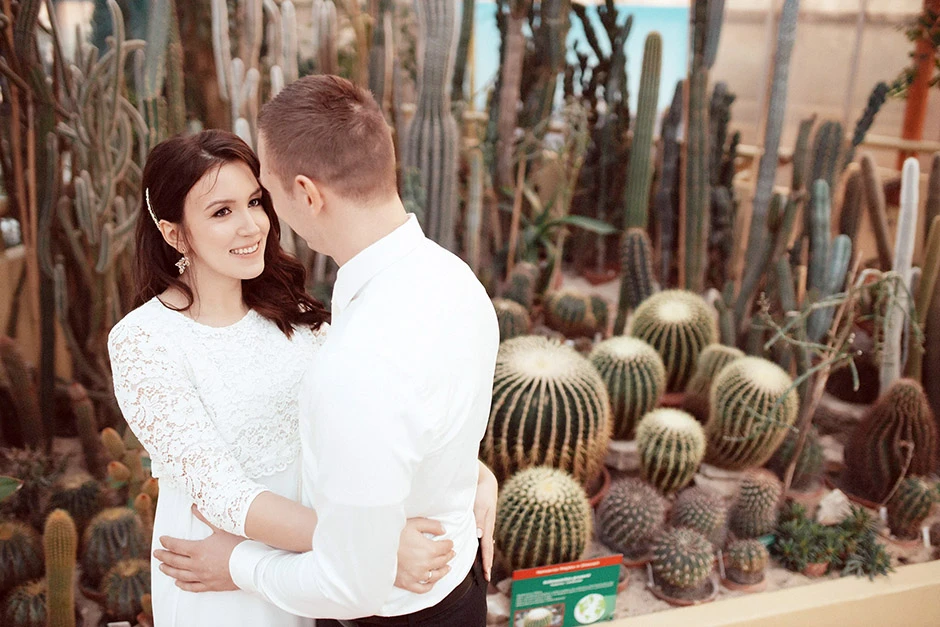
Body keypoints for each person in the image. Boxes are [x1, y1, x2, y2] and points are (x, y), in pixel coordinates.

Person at [108, 129, 496, 627]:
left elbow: (377, 415)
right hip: (224, 564)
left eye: (255, 201)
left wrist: (467, 472)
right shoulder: (143, 341)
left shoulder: (292, 312)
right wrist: (380, 541)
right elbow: (221, 494)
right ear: (173, 233)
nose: (252, 226)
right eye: (221, 212)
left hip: (315, 571)